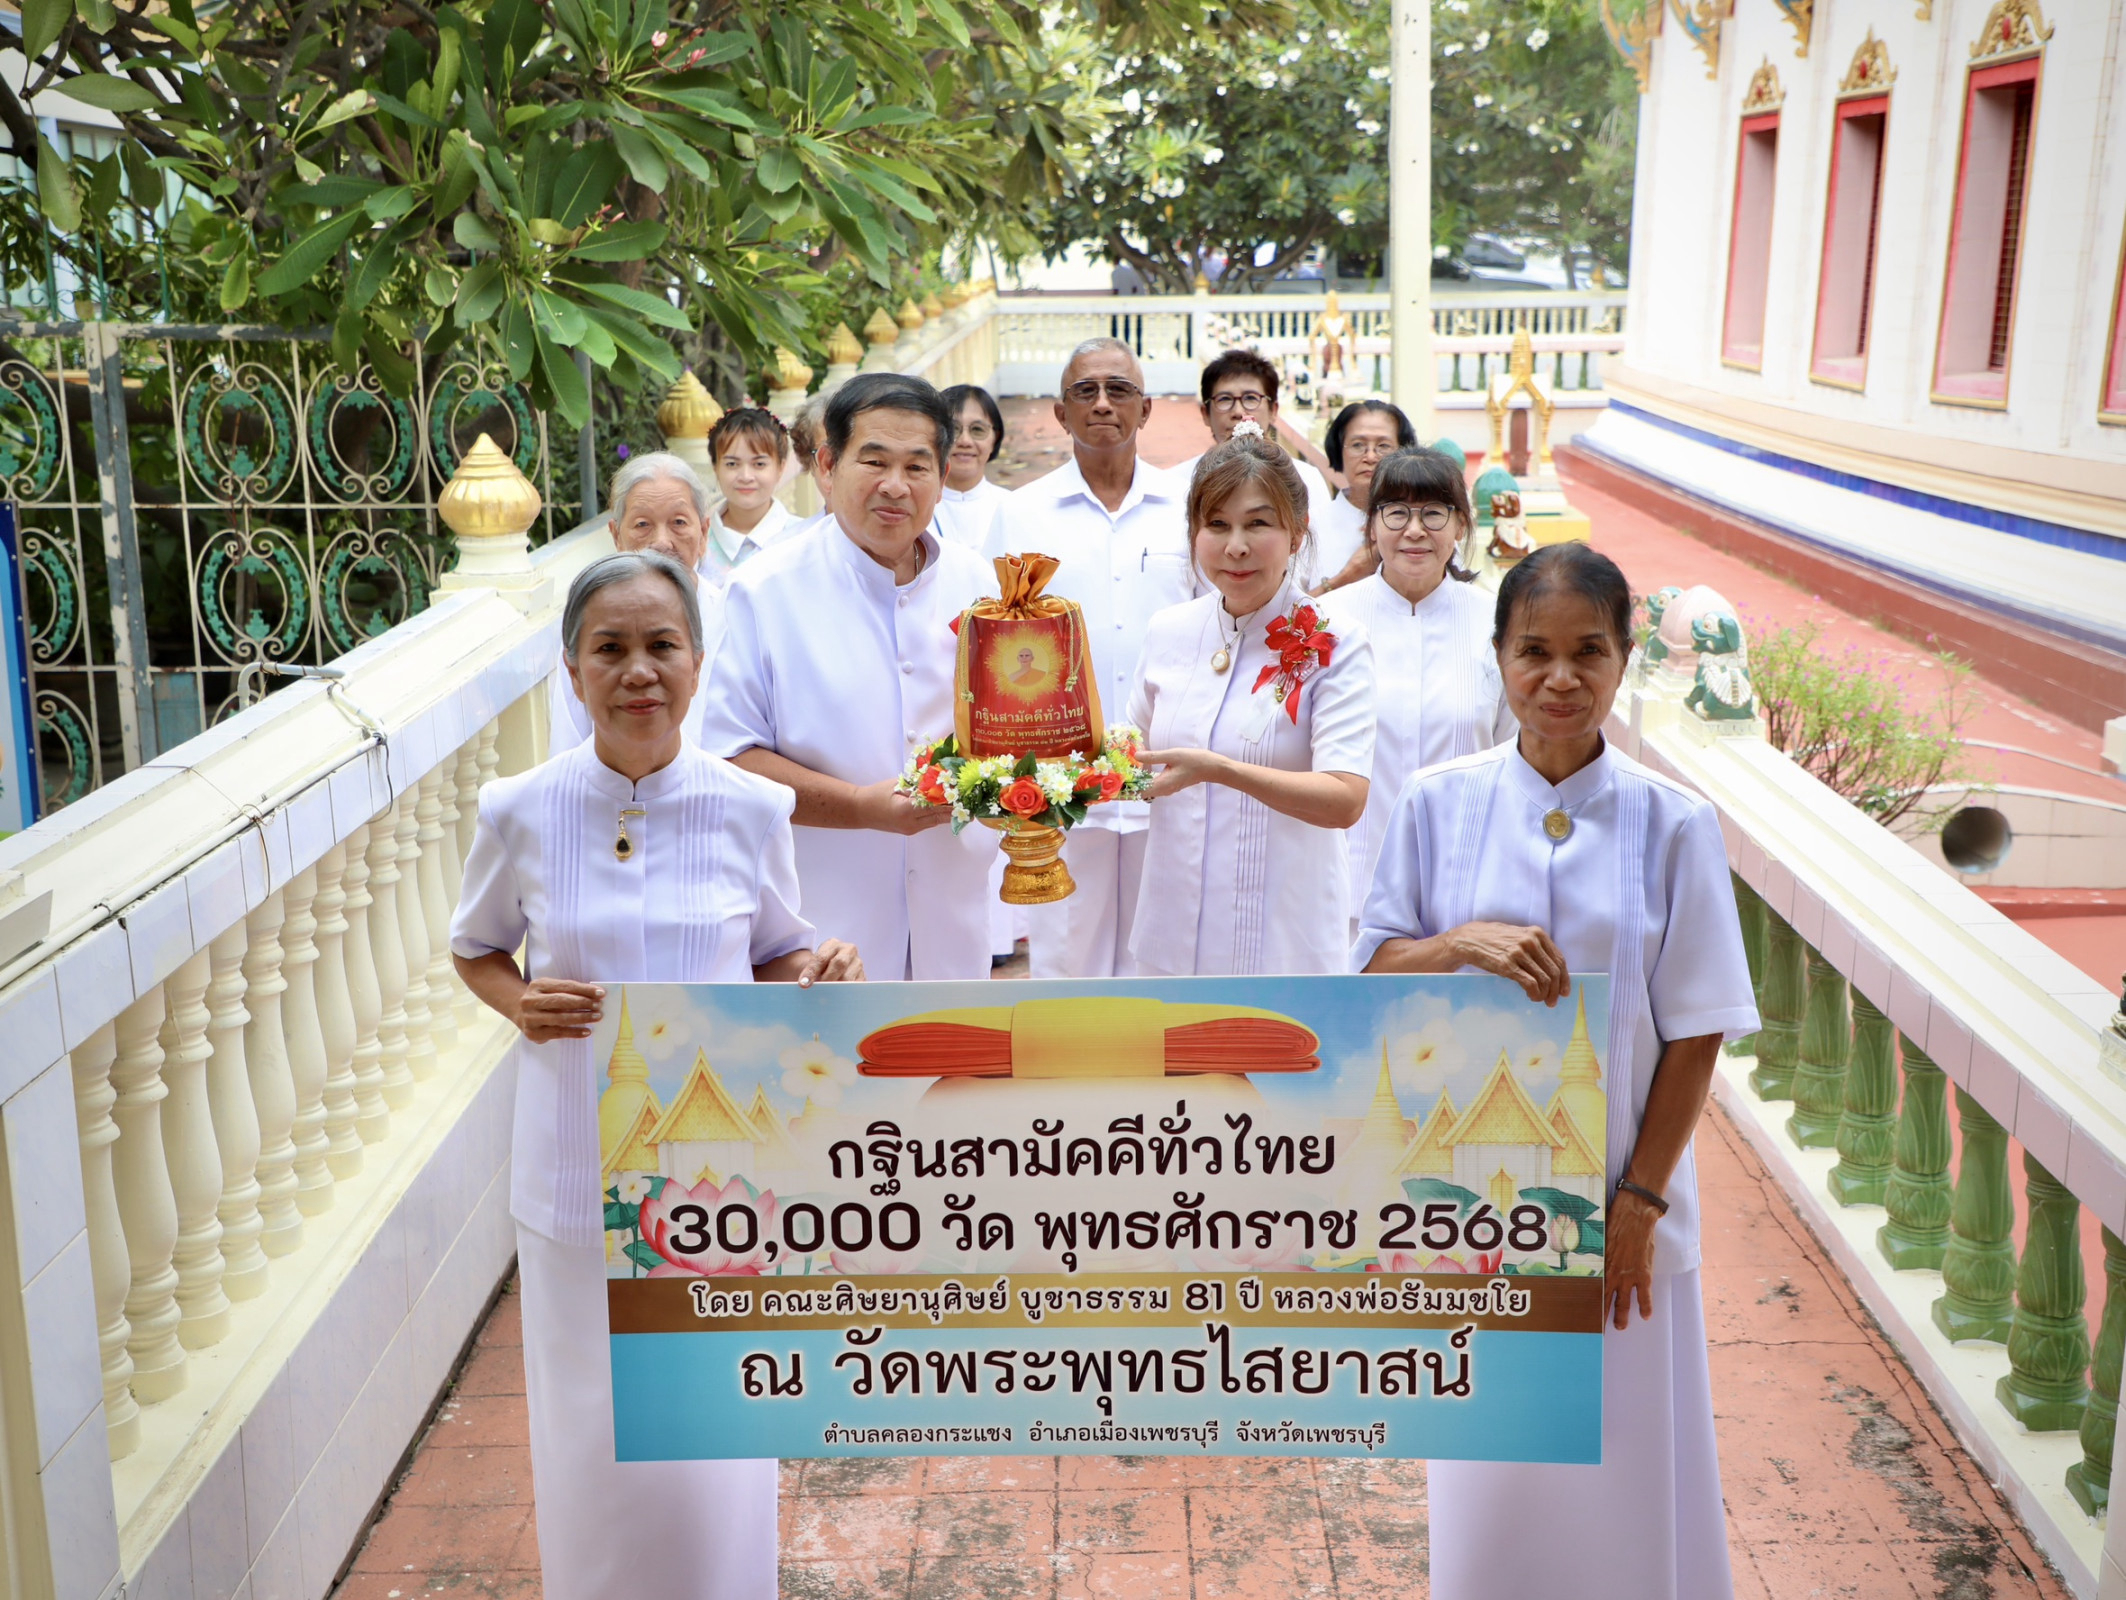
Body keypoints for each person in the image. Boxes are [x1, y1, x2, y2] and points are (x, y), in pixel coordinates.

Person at [451, 550, 862, 1600]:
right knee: (589, 1428)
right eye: (611, 648)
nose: (638, 670)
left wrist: (816, 969)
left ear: (696, 663)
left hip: (713, 1183)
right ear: (572, 669)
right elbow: (476, 946)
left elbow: (778, 950)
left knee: (711, 1433)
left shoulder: (749, 807)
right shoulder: (519, 808)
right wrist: (518, 1001)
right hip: (571, 1168)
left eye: (661, 646)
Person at [1353, 542, 1760, 1600]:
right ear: (1498, 655)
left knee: (1626, 1468)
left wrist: (1638, 1201)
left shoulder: (1674, 824)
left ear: (1624, 659)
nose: (1560, 677)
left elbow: (1697, 1030)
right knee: (1490, 1476)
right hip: (1469, 1214)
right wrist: (1458, 944)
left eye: (1590, 651)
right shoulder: (1435, 803)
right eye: (1534, 650)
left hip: (1621, 1207)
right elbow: (1372, 967)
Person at [702, 372, 998, 980]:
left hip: (955, 918)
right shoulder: (763, 591)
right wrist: (860, 806)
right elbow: (728, 759)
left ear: (943, 476)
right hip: (823, 934)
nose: (895, 485)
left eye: (917, 466)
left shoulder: (980, 583)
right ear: (828, 466)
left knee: (950, 1043)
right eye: (874, 461)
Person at [983, 337, 1192, 978]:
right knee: (1066, 965)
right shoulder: (1021, 512)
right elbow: (993, 642)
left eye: (1119, 390)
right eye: (1086, 391)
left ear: (1146, 409)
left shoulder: (1190, 508)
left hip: (1166, 768)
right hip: (1061, 779)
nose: (1103, 404)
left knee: (1166, 958)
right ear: (1060, 411)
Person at [1127, 433, 1374, 976]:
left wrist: (1221, 771)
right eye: (1217, 524)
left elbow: (1344, 799)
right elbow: (1126, 756)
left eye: (1258, 524)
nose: (1235, 546)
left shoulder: (1336, 641)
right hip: (1172, 941)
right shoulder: (1168, 631)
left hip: (1283, 947)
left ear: (1297, 531)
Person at [1336, 447, 1514, 891]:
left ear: (1461, 525)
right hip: (1351, 881)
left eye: (1433, 513)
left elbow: (1516, 754)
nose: (1414, 530)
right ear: (1371, 525)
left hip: (1465, 878)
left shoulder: (1500, 626)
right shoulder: (1329, 623)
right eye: (1396, 512)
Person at [547, 452, 719, 754]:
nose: (662, 542)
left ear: (704, 532)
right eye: (642, 524)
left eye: (679, 522)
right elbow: (569, 745)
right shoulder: (588, 624)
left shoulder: (736, 617)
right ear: (616, 535)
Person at [1168, 350, 1335, 566]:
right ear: (1205, 413)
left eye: (1250, 398)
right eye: (1224, 399)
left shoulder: (1307, 478)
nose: (1238, 411)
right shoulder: (1175, 483)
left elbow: (1318, 558)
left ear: (1274, 410)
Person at [1313, 399, 1418, 593]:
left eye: (1383, 446)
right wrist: (1347, 576)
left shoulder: (1427, 524)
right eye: (1358, 445)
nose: (1370, 457)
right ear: (1339, 450)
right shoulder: (1310, 527)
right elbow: (1287, 610)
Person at [702, 407, 795, 584]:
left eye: (759, 464)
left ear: (780, 467)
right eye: (732, 464)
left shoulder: (803, 538)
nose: (745, 477)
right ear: (715, 467)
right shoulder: (698, 541)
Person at [936, 383, 1011, 549]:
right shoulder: (915, 507)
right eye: (952, 429)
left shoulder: (1013, 507)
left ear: (995, 438)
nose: (965, 441)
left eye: (977, 430)